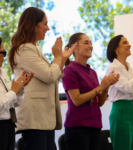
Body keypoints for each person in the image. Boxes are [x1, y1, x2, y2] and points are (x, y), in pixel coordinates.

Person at [9, 7, 76, 150]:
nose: (48, 28)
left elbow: (51, 78)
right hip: (35, 117)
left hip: (43, 117)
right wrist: (58, 57)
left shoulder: (34, 49)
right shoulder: (24, 49)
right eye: (45, 24)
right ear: (33, 25)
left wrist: (62, 59)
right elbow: (50, 75)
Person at [62, 32, 119, 150]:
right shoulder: (69, 70)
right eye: (86, 43)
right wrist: (100, 87)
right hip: (77, 128)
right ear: (75, 47)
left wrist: (107, 86)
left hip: (95, 126)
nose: (91, 46)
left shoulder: (92, 72)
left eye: (91, 43)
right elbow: (77, 100)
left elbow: (100, 102)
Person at [105, 35, 133, 150]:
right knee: (123, 147)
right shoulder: (113, 68)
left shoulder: (132, 70)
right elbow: (128, 88)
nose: (129, 45)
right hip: (121, 110)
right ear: (115, 48)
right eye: (125, 43)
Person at [0, 37, 33, 150]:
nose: (4, 57)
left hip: (8, 125)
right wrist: (14, 92)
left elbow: (15, 102)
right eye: (3, 52)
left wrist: (20, 88)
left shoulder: (2, 72)